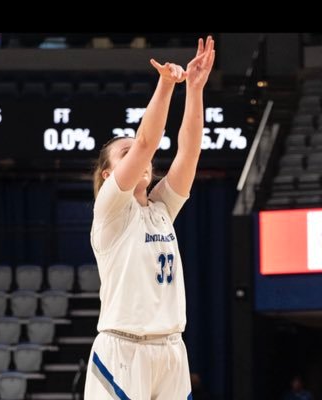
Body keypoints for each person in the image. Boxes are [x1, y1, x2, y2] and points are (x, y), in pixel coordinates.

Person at [84, 36, 215, 400]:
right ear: (110, 176)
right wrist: (165, 85)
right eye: (122, 155)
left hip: (171, 348)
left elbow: (189, 152)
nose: (138, 159)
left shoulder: (160, 210)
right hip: (123, 349)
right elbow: (146, 143)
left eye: (134, 153)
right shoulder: (110, 209)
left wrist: (195, 88)